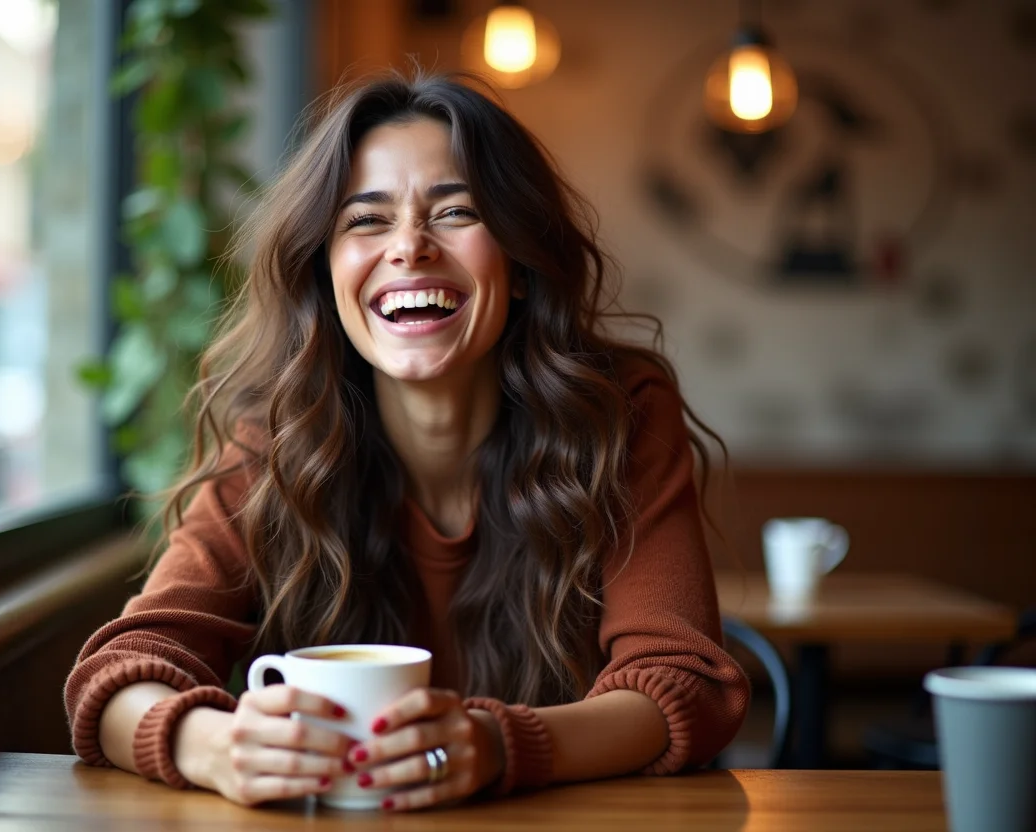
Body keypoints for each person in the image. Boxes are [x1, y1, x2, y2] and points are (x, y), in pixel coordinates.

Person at [65, 71, 750, 812]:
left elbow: (682, 684)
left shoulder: (620, 417)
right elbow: (120, 675)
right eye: (367, 220)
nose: (409, 247)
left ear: (519, 264)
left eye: (455, 212)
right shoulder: (278, 442)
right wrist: (215, 747)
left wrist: (498, 745)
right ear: (326, 275)